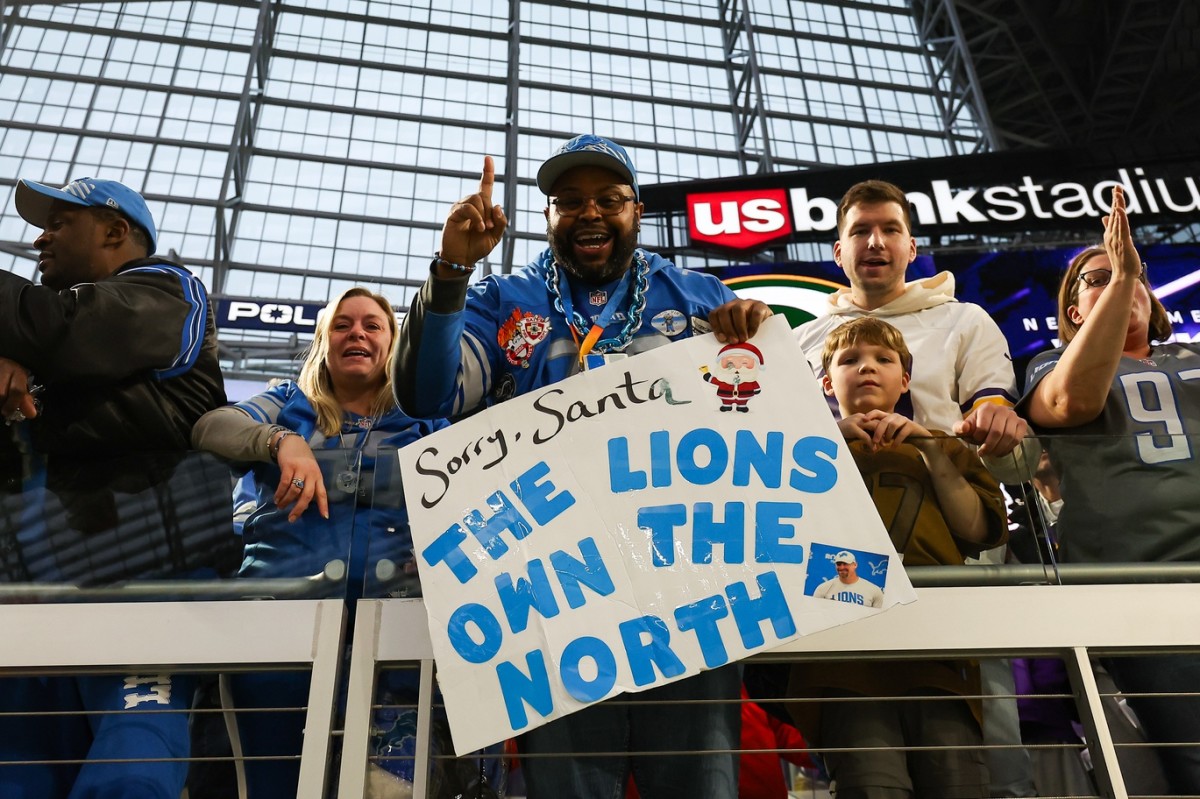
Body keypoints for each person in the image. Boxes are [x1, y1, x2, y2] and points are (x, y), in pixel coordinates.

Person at [394, 134, 773, 798]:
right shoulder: (503, 300)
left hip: (689, 589)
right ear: (547, 216)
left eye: (608, 199)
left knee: (699, 787)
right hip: (556, 596)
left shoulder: (697, 295)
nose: (589, 212)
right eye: (569, 201)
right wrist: (453, 270)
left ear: (638, 210)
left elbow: (757, 424)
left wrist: (754, 345)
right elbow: (430, 395)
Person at [0, 177, 226, 798]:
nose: (39, 237)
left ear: (115, 231)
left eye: (59, 222)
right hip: (29, 602)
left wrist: (26, 366)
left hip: (142, 588)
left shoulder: (169, 290)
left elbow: (66, 332)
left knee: (132, 770)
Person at [191, 286, 446, 799]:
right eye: (343, 325)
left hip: (396, 640)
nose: (357, 333)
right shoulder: (288, 403)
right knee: (268, 784)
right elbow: (211, 426)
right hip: (279, 633)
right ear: (323, 342)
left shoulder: (429, 421)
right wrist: (280, 441)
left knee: (386, 789)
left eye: (373, 325)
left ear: (394, 345)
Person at [1018, 185, 1200, 794]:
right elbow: (1071, 402)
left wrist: (1120, 278)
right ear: (1073, 312)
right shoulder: (1050, 363)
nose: (1124, 282)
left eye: (1135, 277)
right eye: (1097, 279)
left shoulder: (1194, 354)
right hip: (1144, 591)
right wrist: (1121, 276)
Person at [789, 316, 1008, 799]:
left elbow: (976, 529)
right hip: (844, 658)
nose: (867, 368)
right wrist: (827, 443)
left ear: (905, 379)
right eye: (850, 360)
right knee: (871, 784)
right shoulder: (795, 453)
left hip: (938, 656)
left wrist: (928, 447)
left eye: (883, 359)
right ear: (826, 382)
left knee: (958, 783)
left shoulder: (944, 445)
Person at [812, 550, 883, 607]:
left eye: (846, 564)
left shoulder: (874, 590)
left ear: (855, 565)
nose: (841, 567)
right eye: (839, 564)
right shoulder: (823, 588)